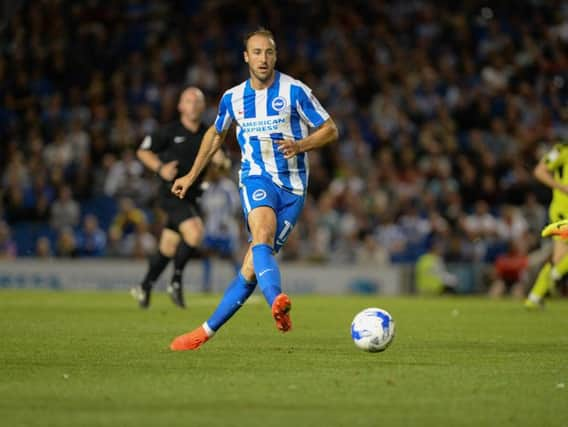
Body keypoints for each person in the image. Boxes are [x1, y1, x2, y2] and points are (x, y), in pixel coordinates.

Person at [169, 28, 338, 351]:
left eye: (269, 52)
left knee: (251, 266)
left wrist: (301, 144)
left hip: (293, 189)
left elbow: (330, 130)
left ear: (275, 56)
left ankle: (203, 333)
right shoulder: (233, 98)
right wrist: (191, 176)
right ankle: (277, 300)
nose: (263, 58)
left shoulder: (295, 92)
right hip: (256, 178)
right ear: (246, 57)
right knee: (261, 235)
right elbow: (216, 134)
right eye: (257, 52)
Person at [130, 86, 210, 309]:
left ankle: (144, 286)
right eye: (188, 100)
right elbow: (142, 151)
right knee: (195, 232)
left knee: (168, 246)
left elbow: (217, 163)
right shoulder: (168, 131)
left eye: (197, 101)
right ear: (180, 106)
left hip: (193, 198)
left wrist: (220, 166)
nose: (193, 104)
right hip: (171, 195)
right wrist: (160, 168)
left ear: (203, 107)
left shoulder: (208, 134)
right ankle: (175, 281)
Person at [525, 143, 568, 309]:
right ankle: (556, 274)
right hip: (563, 210)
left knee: (559, 258)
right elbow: (539, 171)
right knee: (559, 261)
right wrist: (562, 187)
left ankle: (534, 297)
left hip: (561, 212)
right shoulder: (561, 150)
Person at [199, 156, 241, 292]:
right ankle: (206, 284)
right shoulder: (208, 188)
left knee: (231, 256)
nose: (213, 172)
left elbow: (235, 206)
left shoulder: (228, 187)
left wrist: (226, 221)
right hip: (211, 229)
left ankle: (242, 284)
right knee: (206, 254)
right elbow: (204, 209)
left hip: (225, 229)